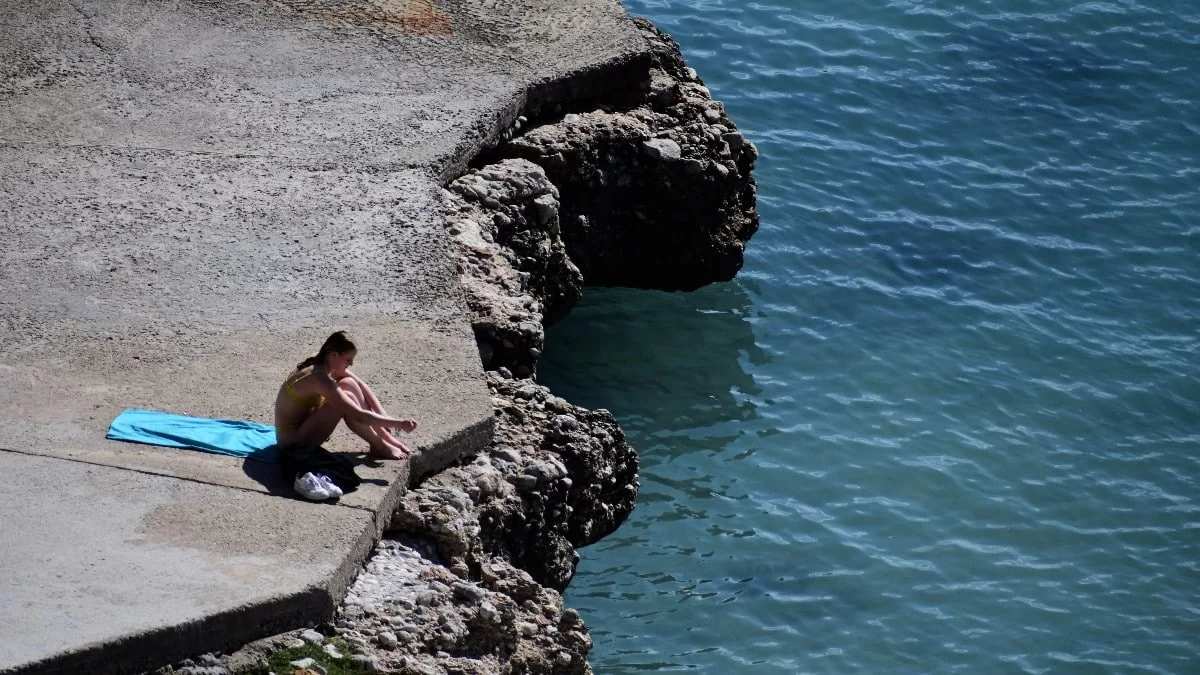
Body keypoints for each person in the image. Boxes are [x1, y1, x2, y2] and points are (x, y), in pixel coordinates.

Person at [274, 331, 418, 500]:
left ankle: (383, 439)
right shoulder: (318, 378)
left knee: (348, 383)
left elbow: (359, 383)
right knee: (344, 402)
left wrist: (382, 414)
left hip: (303, 426)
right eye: (348, 359)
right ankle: (379, 445)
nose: (351, 363)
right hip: (292, 442)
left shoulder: (323, 360)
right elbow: (358, 415)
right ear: (334, 355)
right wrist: (399, 423)